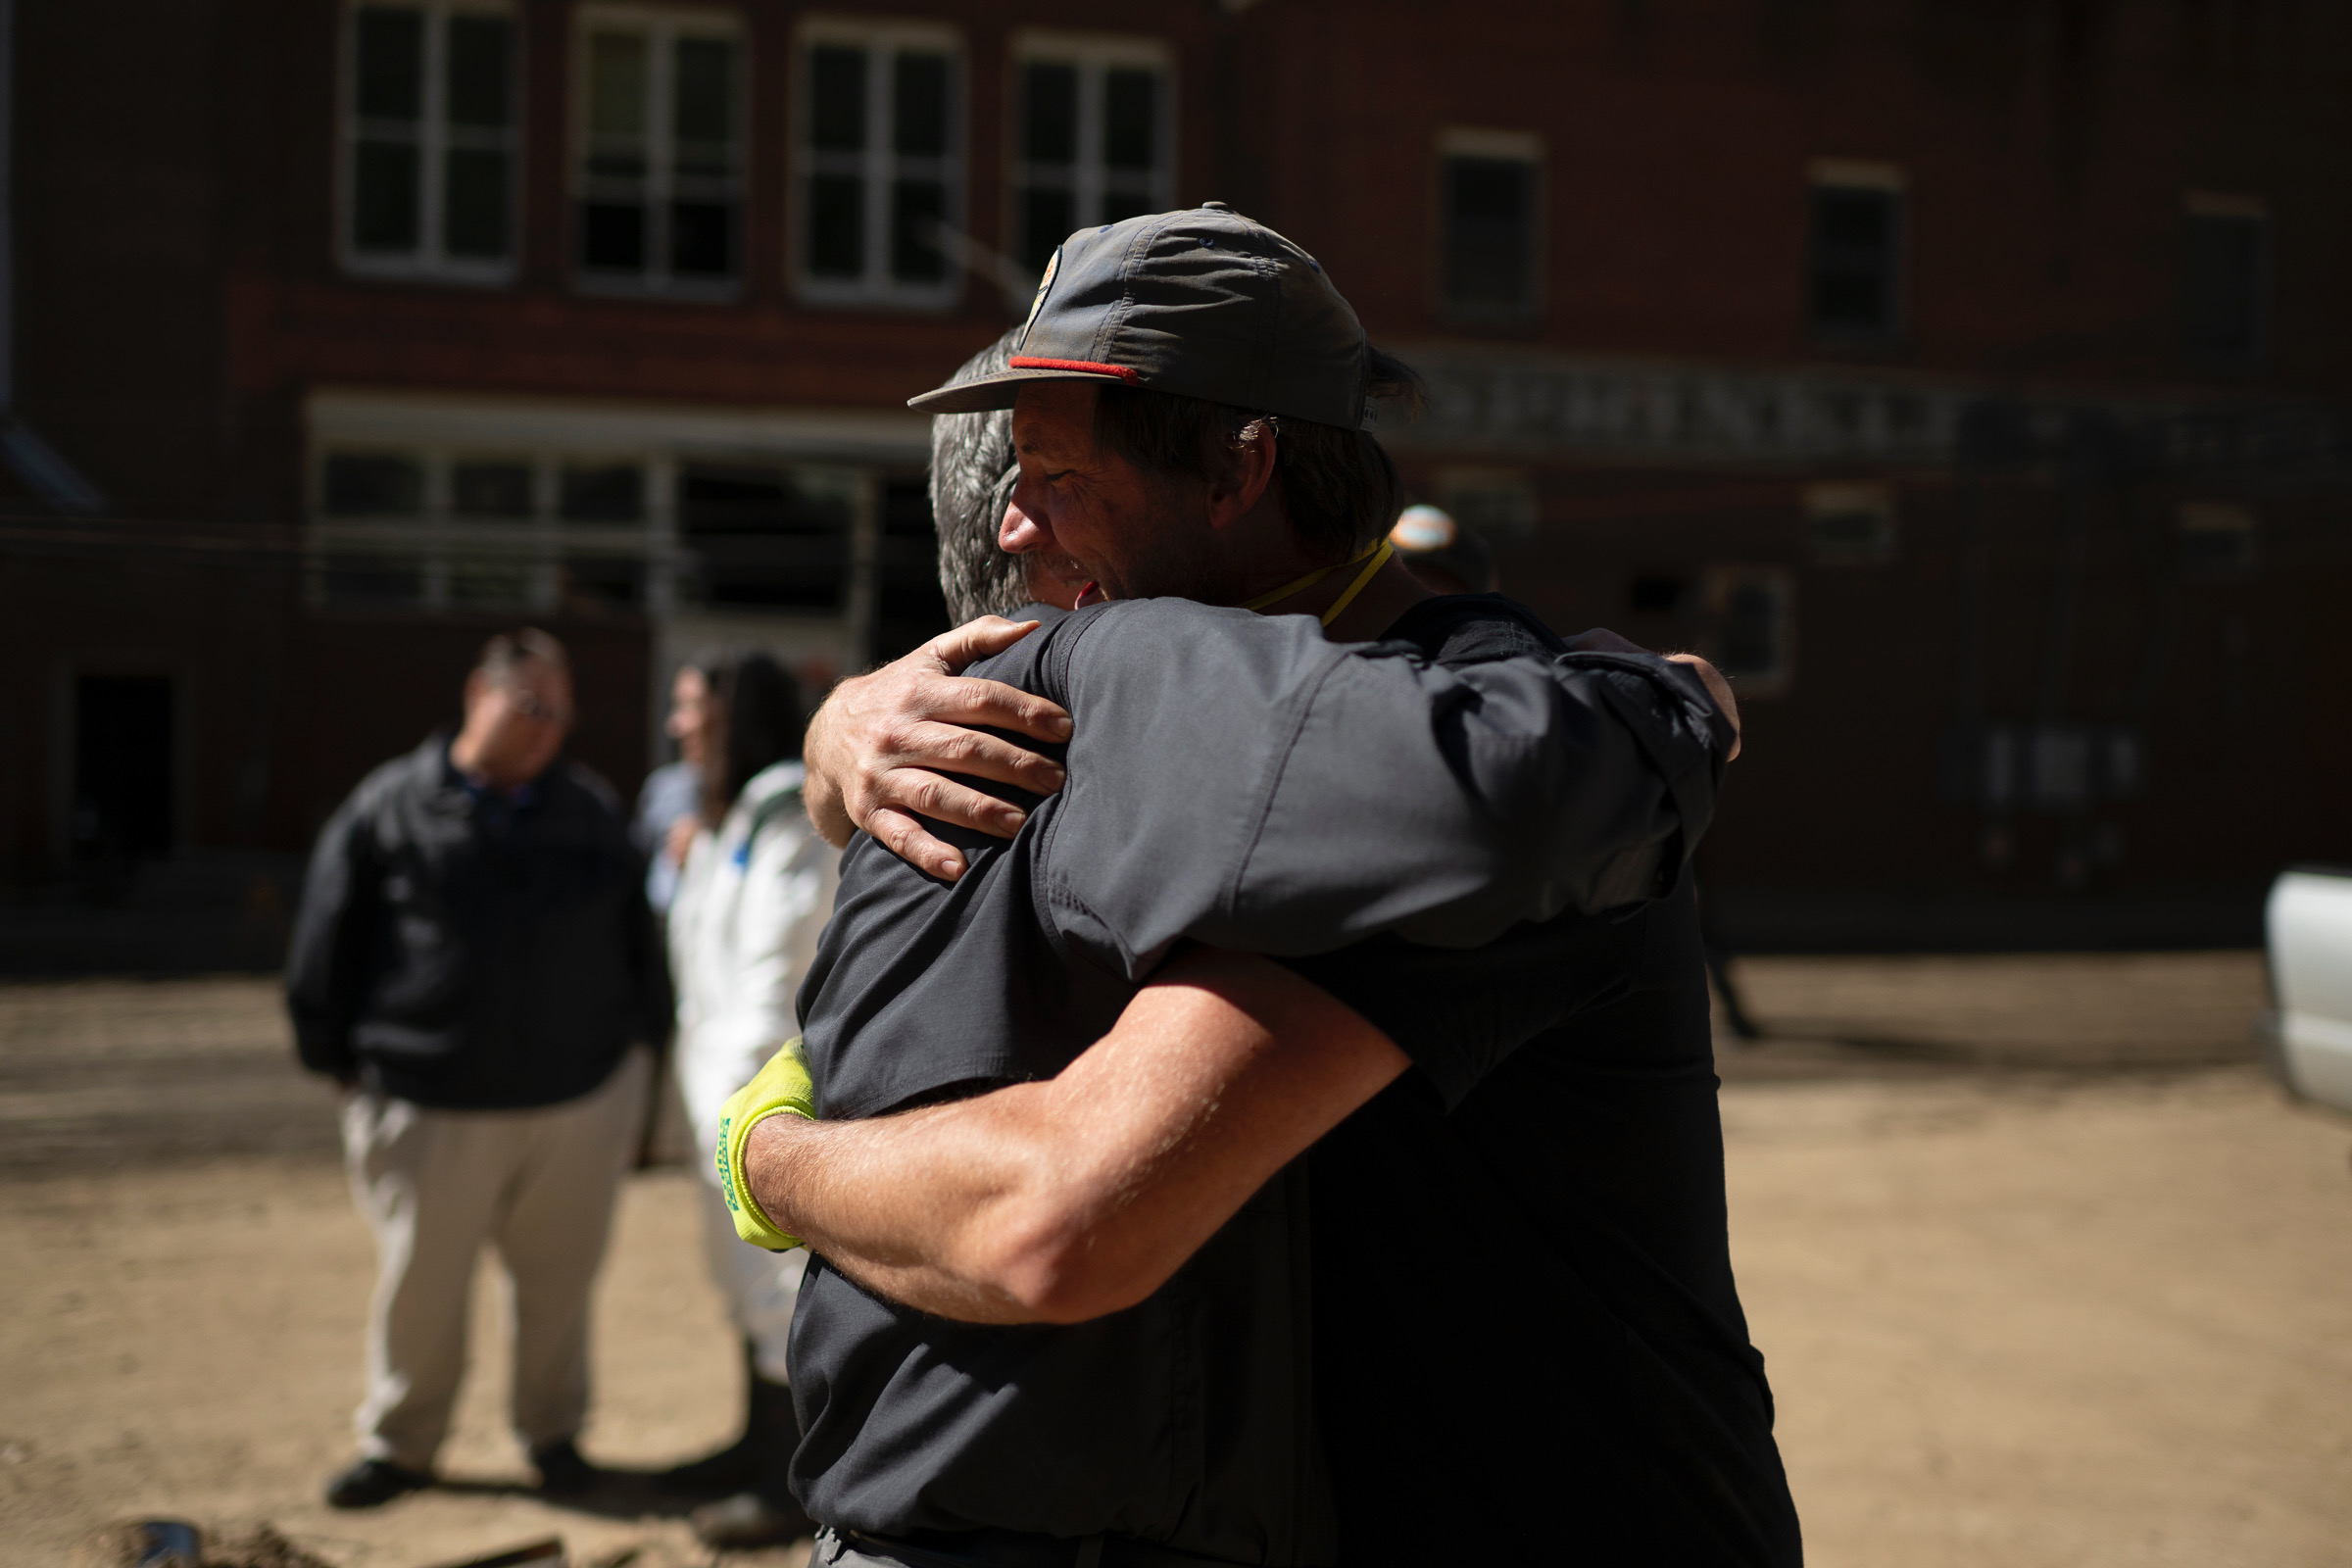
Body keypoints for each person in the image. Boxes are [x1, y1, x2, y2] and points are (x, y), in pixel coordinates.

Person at [714, 204, 1795, 1566]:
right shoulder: (1205, 745)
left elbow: (1062, 1215)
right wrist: (835, 741)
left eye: (1058, 472)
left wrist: (765, 1151)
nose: (1013, 521)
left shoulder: (1403, 778)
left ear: (1241, 468)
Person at [286, 628, 669, 1510]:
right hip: (427, 1101)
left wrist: (638, 1066)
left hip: (575, 1101)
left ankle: (555, 1436)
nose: (546, 731)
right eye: (529, 707)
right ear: (476, 696)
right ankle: (403, 1444)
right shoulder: (389, 806)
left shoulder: (587, 810)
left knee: (560, 1291)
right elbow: (325, 943)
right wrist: (340, 1065)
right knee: (422, 1291)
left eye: (561, 716)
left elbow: (638, 950)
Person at [659, 650, 839, 1548]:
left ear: (736, 713)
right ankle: (749, 1442)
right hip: (712, 1109)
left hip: (752, 1109)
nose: (677, 725)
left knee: (777, 1294)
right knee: (737, 1286)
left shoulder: (787, 820)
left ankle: (786, 1483)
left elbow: (773, 978)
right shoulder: (725, 821)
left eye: (693, 706)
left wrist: (734, 1115)